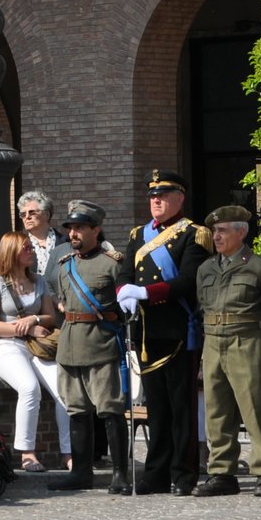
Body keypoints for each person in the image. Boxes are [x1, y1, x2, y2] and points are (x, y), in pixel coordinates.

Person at [114, 170, 212, 495]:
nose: (156, 199)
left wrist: (145, 293)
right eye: (152, 195)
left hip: (178, 329)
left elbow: (187, 281)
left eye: (164, 194)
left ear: (179, 198)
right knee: (156, 406)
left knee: (181, 407)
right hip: (145, 331)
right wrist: (122, 293)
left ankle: (183, 474)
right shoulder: (137, 234)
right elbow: (125, 272)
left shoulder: (194, 234)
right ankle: (155, 473)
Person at [191, 207, 261, 498]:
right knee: (217, 411)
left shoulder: (259, 267)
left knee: (254, 408)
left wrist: (251, 326)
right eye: (214, 231)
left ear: (240, 232)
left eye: (222, 231)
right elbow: (199, 305)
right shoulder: (206, 268)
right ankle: (221, 473)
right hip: (213, 342)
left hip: (246, 340)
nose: (216, 237)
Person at [46, 200, 132, 494]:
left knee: (109, 410)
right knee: (77, 411)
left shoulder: (112, 265)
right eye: (71, 228)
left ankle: (120, 473)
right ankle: (81, 473)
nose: (73, 234)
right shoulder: (64, 264)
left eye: (80, 228)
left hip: (101, 345)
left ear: (96, 229)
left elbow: (123, 310)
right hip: (69, 345)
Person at [0, 231, 68, 473]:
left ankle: (68, 453)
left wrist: (34, 318)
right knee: (29, 388)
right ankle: (27, 453)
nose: (31, 251)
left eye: (31, 247)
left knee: (64, 391)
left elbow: (50, 318)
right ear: (11, 252)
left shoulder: (39, 280)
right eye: (26, 248)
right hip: (6, 346)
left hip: (38, 348)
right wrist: (27, 330)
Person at [17, 191, 71, 279]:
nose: (27, 217)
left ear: (47, 215)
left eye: (32, 212)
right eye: (23, 214)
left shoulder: (67, 243)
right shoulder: (18, 245)